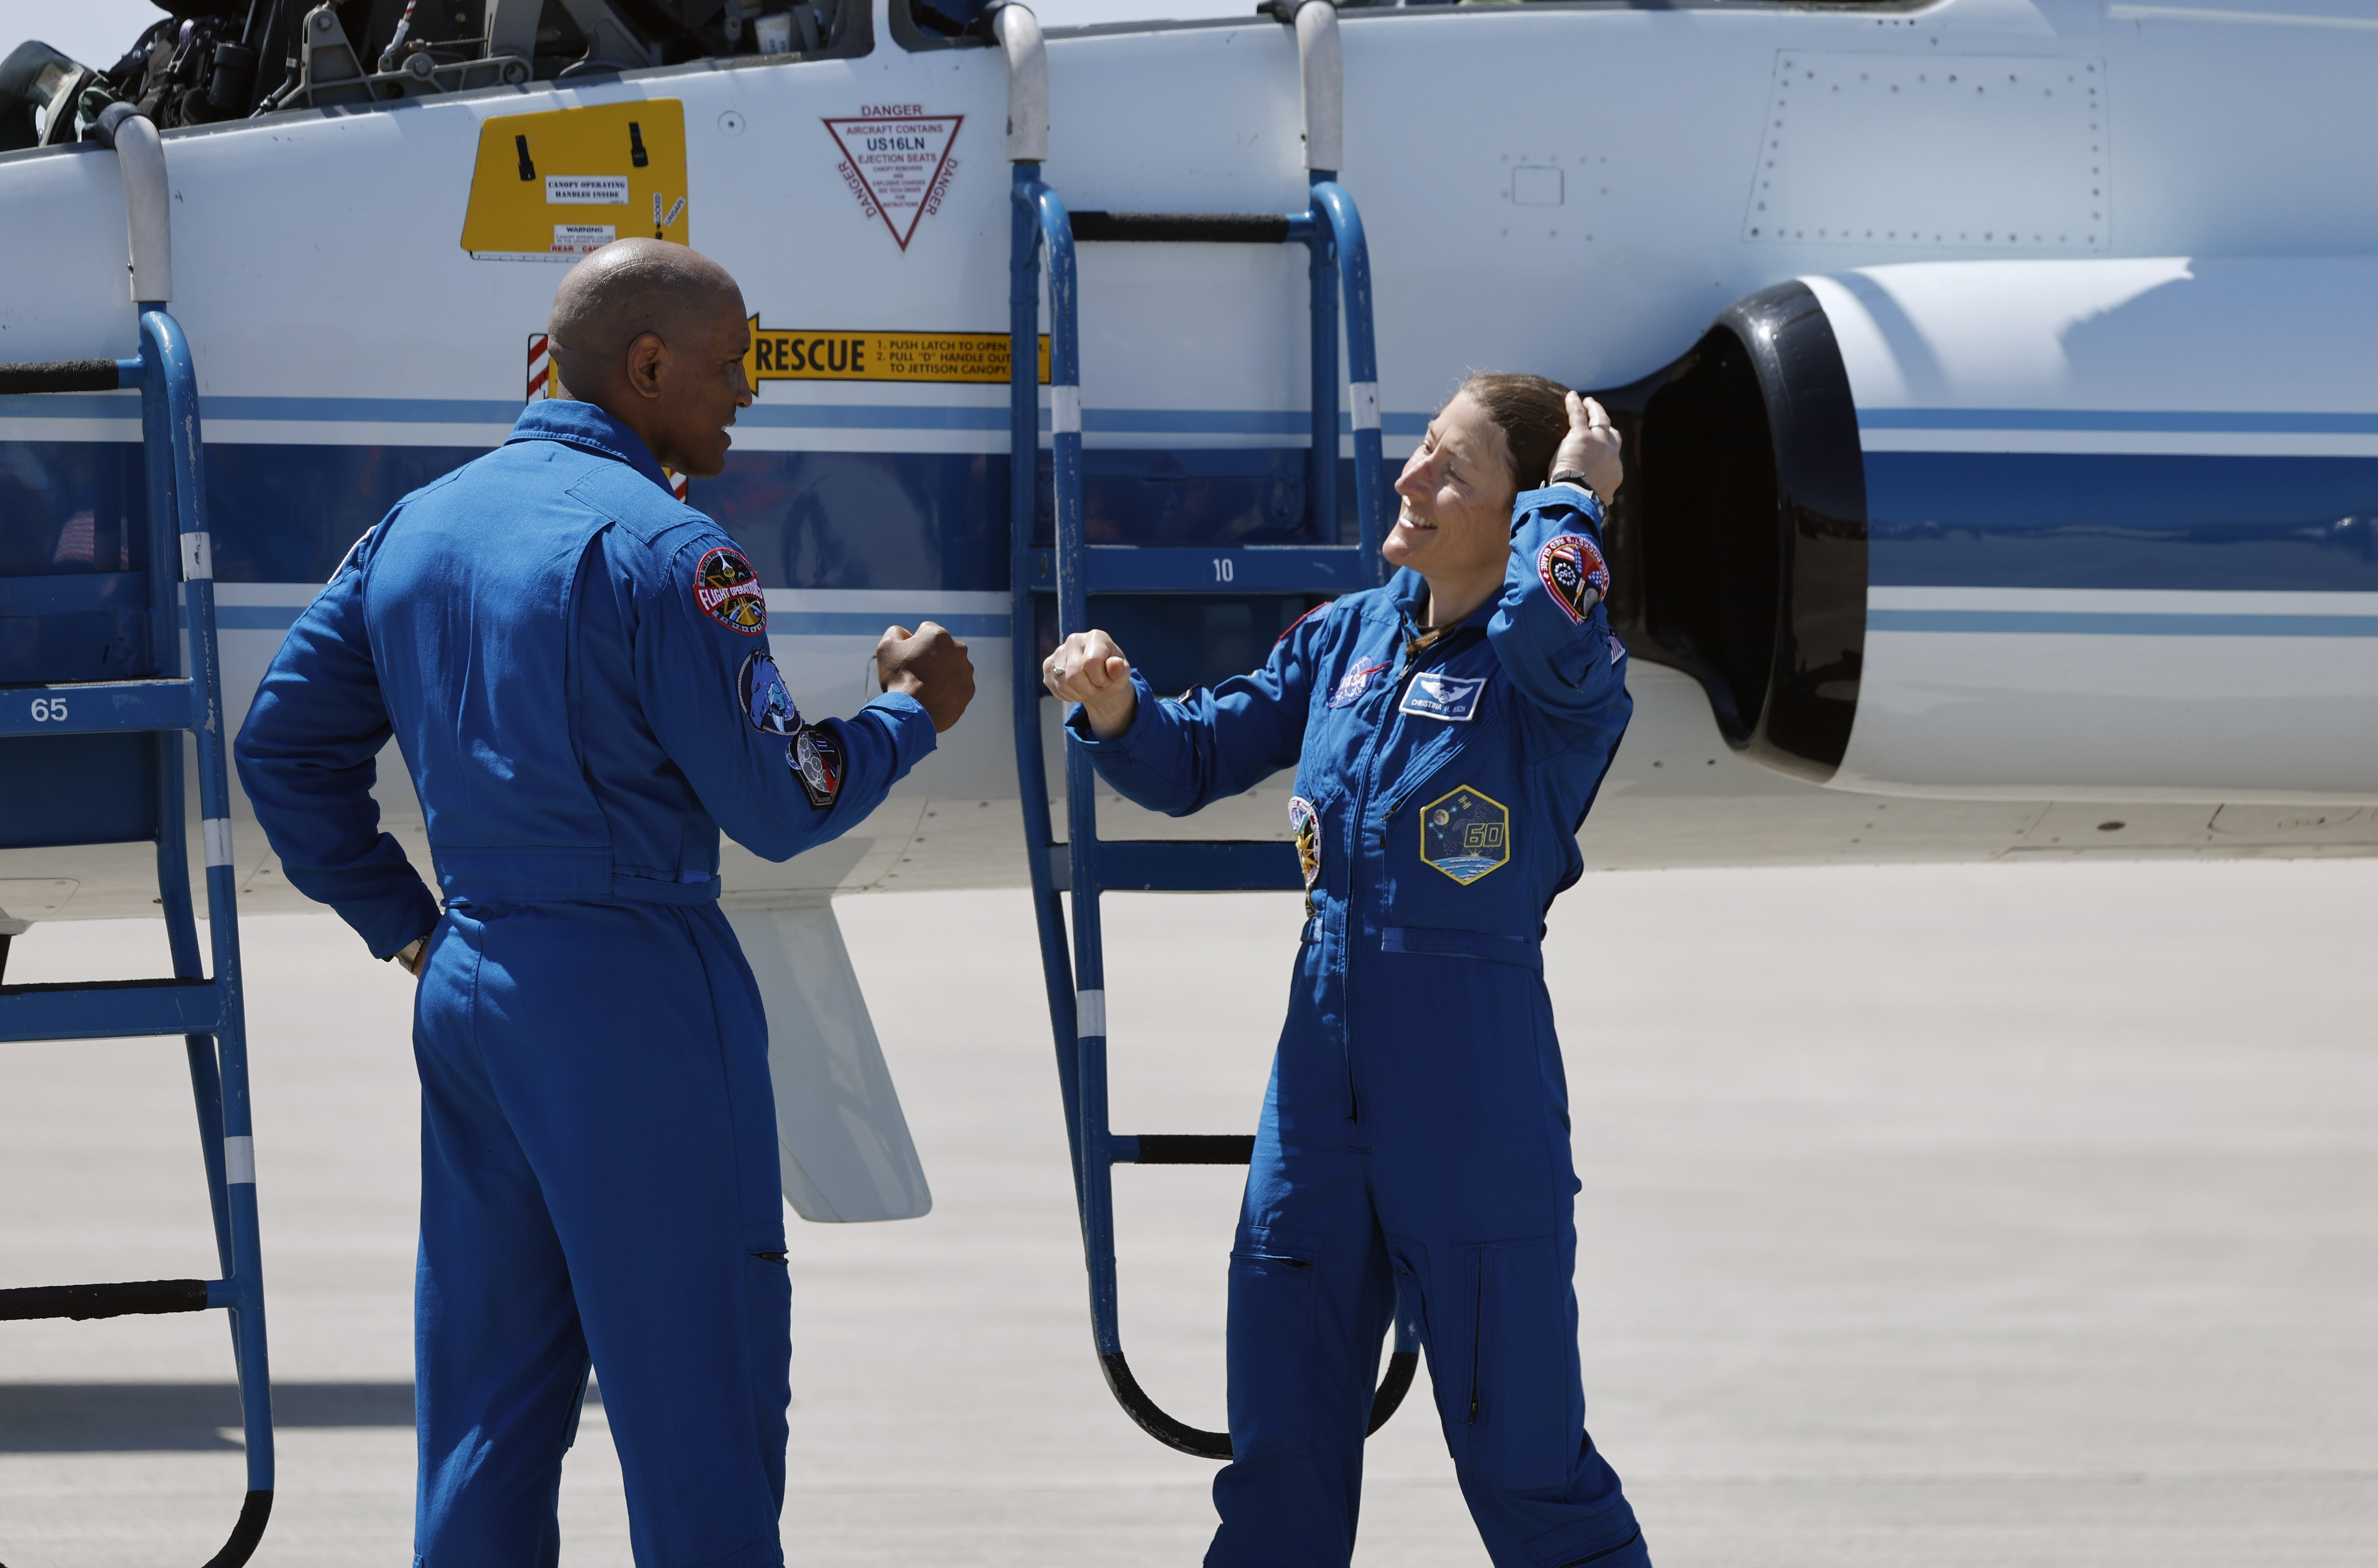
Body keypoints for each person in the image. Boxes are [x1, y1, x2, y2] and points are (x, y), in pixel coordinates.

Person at [234, 239, 974, 1568]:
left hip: (472, 988)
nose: (745, 393)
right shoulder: (672, 550)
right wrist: (909, 714)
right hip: (637, 997)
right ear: (645, 367)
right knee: (700, 1415)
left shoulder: (417, 526)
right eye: (731, 363)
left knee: (486, 1419)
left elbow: (282, 747)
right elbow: (782, 801)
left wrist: (409, 925)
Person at [1042, 376, 1644, 1568]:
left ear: (1521, 514)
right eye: (1423, 447)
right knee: (1278, 1476)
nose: (1411, 479)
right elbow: (1197, 755)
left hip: (1473, 1108)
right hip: (1318, 1103)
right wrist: (1116, 708)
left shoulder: (1561, 676)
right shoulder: (1349, 636)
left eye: (1455, 471)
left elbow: (1543, 620)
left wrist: (1576, 495)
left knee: (1528, 1469)